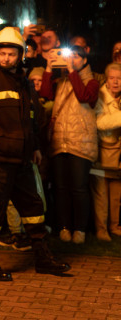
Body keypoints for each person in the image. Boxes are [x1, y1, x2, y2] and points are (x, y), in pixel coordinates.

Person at [0, 27, 70, 281]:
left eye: (11, 54)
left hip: (22, 161)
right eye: (2, 54)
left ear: (20, 55)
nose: (6, 59)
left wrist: (34, 147)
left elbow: (32, 119)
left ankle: (43, 258)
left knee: (34, 209)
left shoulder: (25, 84)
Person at [40, 44, 99, 244]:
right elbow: (45, 93)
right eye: (68, 55)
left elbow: (84, 96)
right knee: (61, 187)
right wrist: (49, 66)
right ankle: (64, 227)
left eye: (75, 56)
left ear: (84, 60)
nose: (70, 59)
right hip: (59, 141)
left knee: (79, 188)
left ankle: (80, 230)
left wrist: (72, 71)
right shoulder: (61, 80)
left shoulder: (92, 81)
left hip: (81, 142)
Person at [91, 63, 121, 239]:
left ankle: (115, 226)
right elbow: (100, 123)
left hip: (118, 155)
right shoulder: (100, 96)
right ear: (106, 80)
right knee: (100, 195)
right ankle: (101, 229)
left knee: (117, 194)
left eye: (119, 78)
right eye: (112, 78)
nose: (116, 82)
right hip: (101, 153)